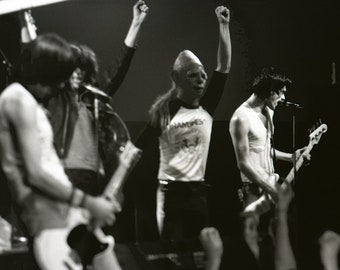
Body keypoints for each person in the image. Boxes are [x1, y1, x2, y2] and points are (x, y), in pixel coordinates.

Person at [0, 33, 122, 270]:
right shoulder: (17, 99)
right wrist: (89, 203)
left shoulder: (26, 101)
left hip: (64, 214)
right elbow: (35, 173)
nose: (60, 85)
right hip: (51, 222)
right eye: (59, 77)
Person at [136, 5, 231, 241]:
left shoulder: (205, 108)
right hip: (170, 194)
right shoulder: (165, 110)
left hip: (198, 192)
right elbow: (138, 151)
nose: (200, 80)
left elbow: (224, 68)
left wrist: (224, 25)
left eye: (202, 75)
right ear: (177, 78)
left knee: (200, 254)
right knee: (173, 254)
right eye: (193, 75)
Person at [45, 0, 149, 196]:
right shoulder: (53, 98)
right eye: (71, 68)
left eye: (81, 69)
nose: (77, 73)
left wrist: (136, 23)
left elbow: (117, 69)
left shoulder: (92, 96)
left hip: (90, 175)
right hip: (59, 173)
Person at [229, 67, 309, 262]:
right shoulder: (241, 117)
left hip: (272, 183)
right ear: (269, 91)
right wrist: (268, 188)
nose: (283, 98)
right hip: (254, 190)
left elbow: (266, 150)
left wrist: (291, 156)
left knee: (278, 243)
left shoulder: (268, 112)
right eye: (280, 92)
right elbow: (244, 163)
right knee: (255, 248)